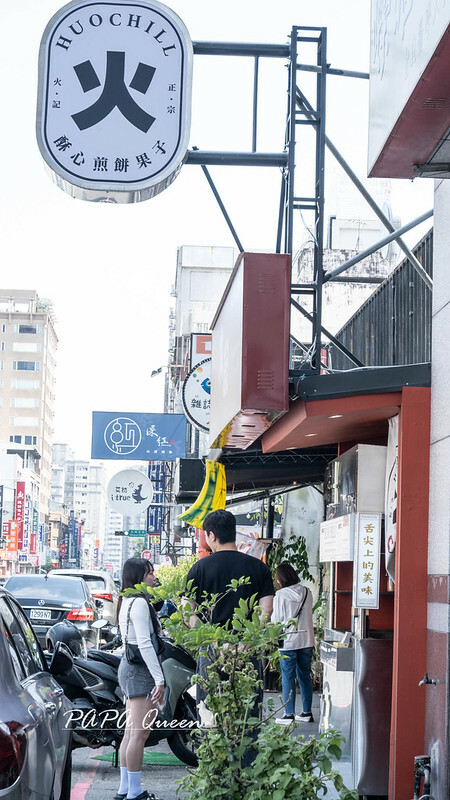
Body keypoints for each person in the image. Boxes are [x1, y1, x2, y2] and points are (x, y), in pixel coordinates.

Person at [182, 509, 274, 764]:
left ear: (211, 535)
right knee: (248, 717)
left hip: (212, 653)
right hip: (248, 652)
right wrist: (245, 642)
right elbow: (267, 609)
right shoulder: (259, 568)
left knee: (209, 716)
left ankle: (213, 774)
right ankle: (246, 775)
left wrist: (215, 642)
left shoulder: (199, 568)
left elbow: (186, 611)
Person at [115, 558, 165, 800]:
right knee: (139, 734)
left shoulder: (126, 600)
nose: (154, 577)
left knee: (130, 732)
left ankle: (125, 789)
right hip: (140, 669)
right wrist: (159, 680)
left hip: (128, 667)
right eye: (149, 573)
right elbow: (145, 644)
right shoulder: (140, 603)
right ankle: (134, 792)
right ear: (138, 577)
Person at [271, 561, 315, 724]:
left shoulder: (281, 595)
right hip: (306, 640)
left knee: (288, 677)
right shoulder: (306, 592)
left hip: (288, 641)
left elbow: (276, 621)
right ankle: (307, 713)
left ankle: (289, 714)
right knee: (304, 676)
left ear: (281, 578)